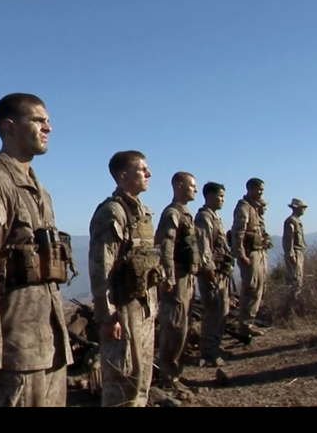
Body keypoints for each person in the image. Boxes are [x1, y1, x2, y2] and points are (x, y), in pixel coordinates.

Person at [0, 92, 73, 407]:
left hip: (48, 345)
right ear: (9, 127)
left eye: (47, 121)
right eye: (38, 120)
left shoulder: (40, 192)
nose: (48, 128)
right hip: (13, 352)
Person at [88, 150, 162, 406]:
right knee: (122, 379)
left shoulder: (142, 213)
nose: (149, 173)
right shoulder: (112, 213)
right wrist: (108, 315)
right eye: (142, 169)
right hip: (123, 309)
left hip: (144, 306)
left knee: (141, 379)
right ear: (123, 175)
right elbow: (101, 267)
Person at [155, 171, 201, 390]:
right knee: (174, 325)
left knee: (183, 326)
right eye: (192, 186)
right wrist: (168, 276)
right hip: (177, 277)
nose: (195, 190)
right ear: (180, 186)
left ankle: (175, 372)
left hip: (187, 276)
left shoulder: (185, 213)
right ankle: (168, 374)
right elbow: (166, 247)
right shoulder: (172, 213)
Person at [194, 182, 232, 367]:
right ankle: (208, 352)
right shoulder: (204, 218)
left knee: (222, 310)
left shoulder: (215, 217)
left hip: (220, 271)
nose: (223, 200)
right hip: (211, 272)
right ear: (209, 196)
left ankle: (215, 347)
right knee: (212, 311)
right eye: (220, 196)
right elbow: (203, 246)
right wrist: (209, 269)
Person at [231, 178, 266, 337]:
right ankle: (244, 325)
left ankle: (249, 322)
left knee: (258, 288)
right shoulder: (243, 208)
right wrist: (241, 254)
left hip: (258, 252)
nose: (260, 193)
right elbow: (238, 232)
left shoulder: (254, 208)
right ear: (250, 189)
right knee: (250, 288)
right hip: (249, 253)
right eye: (258, 189)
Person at [282, 198, 307, 298]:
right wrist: (290, 253)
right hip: (295, 252)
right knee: (295, 279)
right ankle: (292, 303)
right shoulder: (291, 221)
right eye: (302, 208)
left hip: (299, 252)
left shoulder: (296, 221)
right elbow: (289, 238)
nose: (304, 210)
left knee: (298, 278)